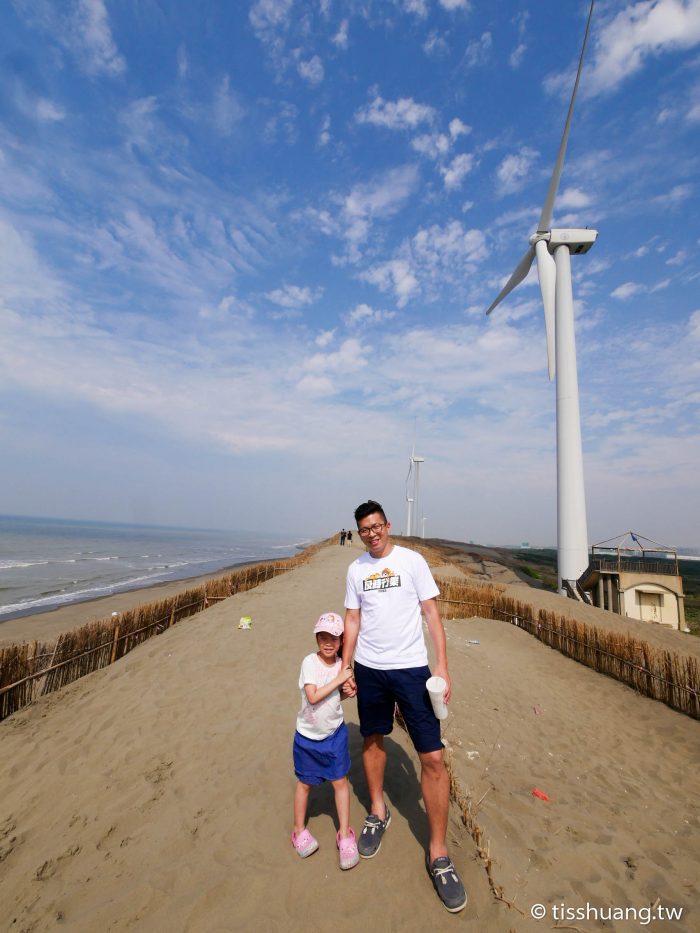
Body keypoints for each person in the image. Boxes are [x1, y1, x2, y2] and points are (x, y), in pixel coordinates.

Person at [341, 500, 466, 912]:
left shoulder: (412, 562)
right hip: (370, 669)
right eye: (365, 529)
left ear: (388, 525)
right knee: (373, 739)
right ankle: (378, 811)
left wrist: (442, 665)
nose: (372, 533)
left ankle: (438, 852)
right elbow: (353, 620)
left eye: (377, 526)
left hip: (412, 671)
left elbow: (431, 614)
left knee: (431, 756)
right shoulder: (356, 569)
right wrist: (346, 666)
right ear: (359, 533)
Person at [292, 612, 360, 871]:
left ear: (342, 640)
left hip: (334, 735)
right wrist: (340, 680)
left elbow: (331, 699)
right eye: (323, 637)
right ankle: (299, 830)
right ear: (316, 638)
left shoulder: (342, 665)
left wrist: (347, 693)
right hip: (307, 738)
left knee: (340, 782)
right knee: (305, 784)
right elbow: (312, 697)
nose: (328, 642)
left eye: (334, 637)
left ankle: (344, 834)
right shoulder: (310, 662)